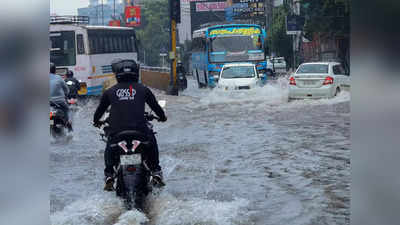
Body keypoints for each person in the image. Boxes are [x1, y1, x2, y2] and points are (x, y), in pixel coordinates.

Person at [93, 59, 167, 191]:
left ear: (117, 75)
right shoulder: (144, 90)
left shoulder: (110, 92)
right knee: (152, 139)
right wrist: (162, 118)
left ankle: (109, 174)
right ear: (136, 73)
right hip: (141, 132)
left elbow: (98, 113)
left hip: (117, 134)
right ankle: (156, 171)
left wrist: (97, 122)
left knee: (110, 144)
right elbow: (157, 108)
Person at [49, 62, 73, 132]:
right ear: (54, 70)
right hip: (60, 102)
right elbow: (66, 90)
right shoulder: (59, 78)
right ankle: (69, 127)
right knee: (67, 110)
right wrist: (66, 94)